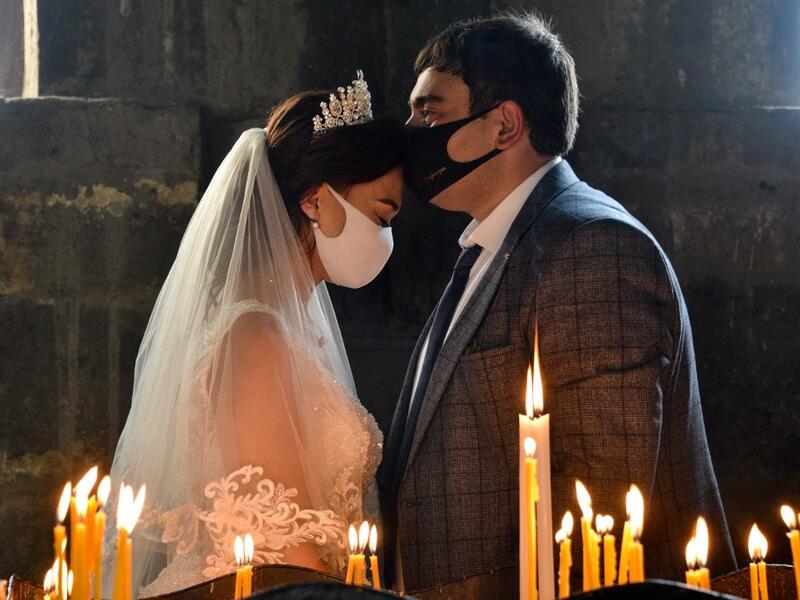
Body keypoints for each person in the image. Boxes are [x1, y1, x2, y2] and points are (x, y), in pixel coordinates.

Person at [379, 13, 736, 595]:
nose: (411, 131)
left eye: (430, 112)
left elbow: (599, 510)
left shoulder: (591, 249)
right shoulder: (495, 242)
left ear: (504, 125)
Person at [103, 72, 404, 596]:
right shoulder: (256, 336)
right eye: (381, 215)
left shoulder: (291, 327)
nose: (385, 238)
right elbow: (283, 539)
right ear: (314, 201)